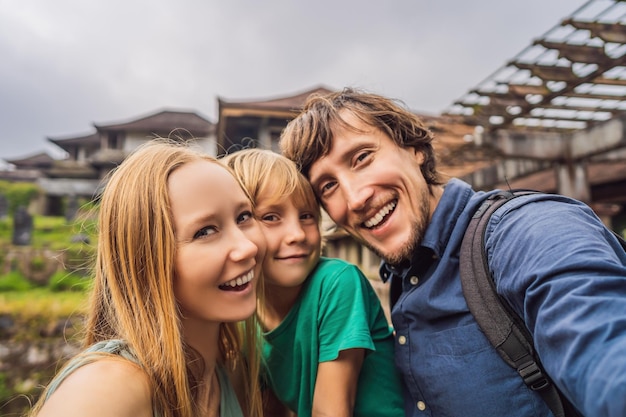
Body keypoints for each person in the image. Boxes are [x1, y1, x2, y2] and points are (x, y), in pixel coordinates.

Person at [279, 88, 626, 417]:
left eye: (362, 158)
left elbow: (602, 351)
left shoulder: (523, 231)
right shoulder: (404, 271)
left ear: (413, 148)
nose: (355, 198)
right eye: (328, 186)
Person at [30, 140, 267, 417]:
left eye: (244, 216)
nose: (248, 247)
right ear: (145, 260)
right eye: (205, 231)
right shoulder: (108, 389)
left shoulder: (228, 375)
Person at [222, 148, 404, 417]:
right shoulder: (243, 315)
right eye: (271, 217)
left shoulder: (336, 282)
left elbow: (330, 412)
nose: (297, 234)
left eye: (306, 216)